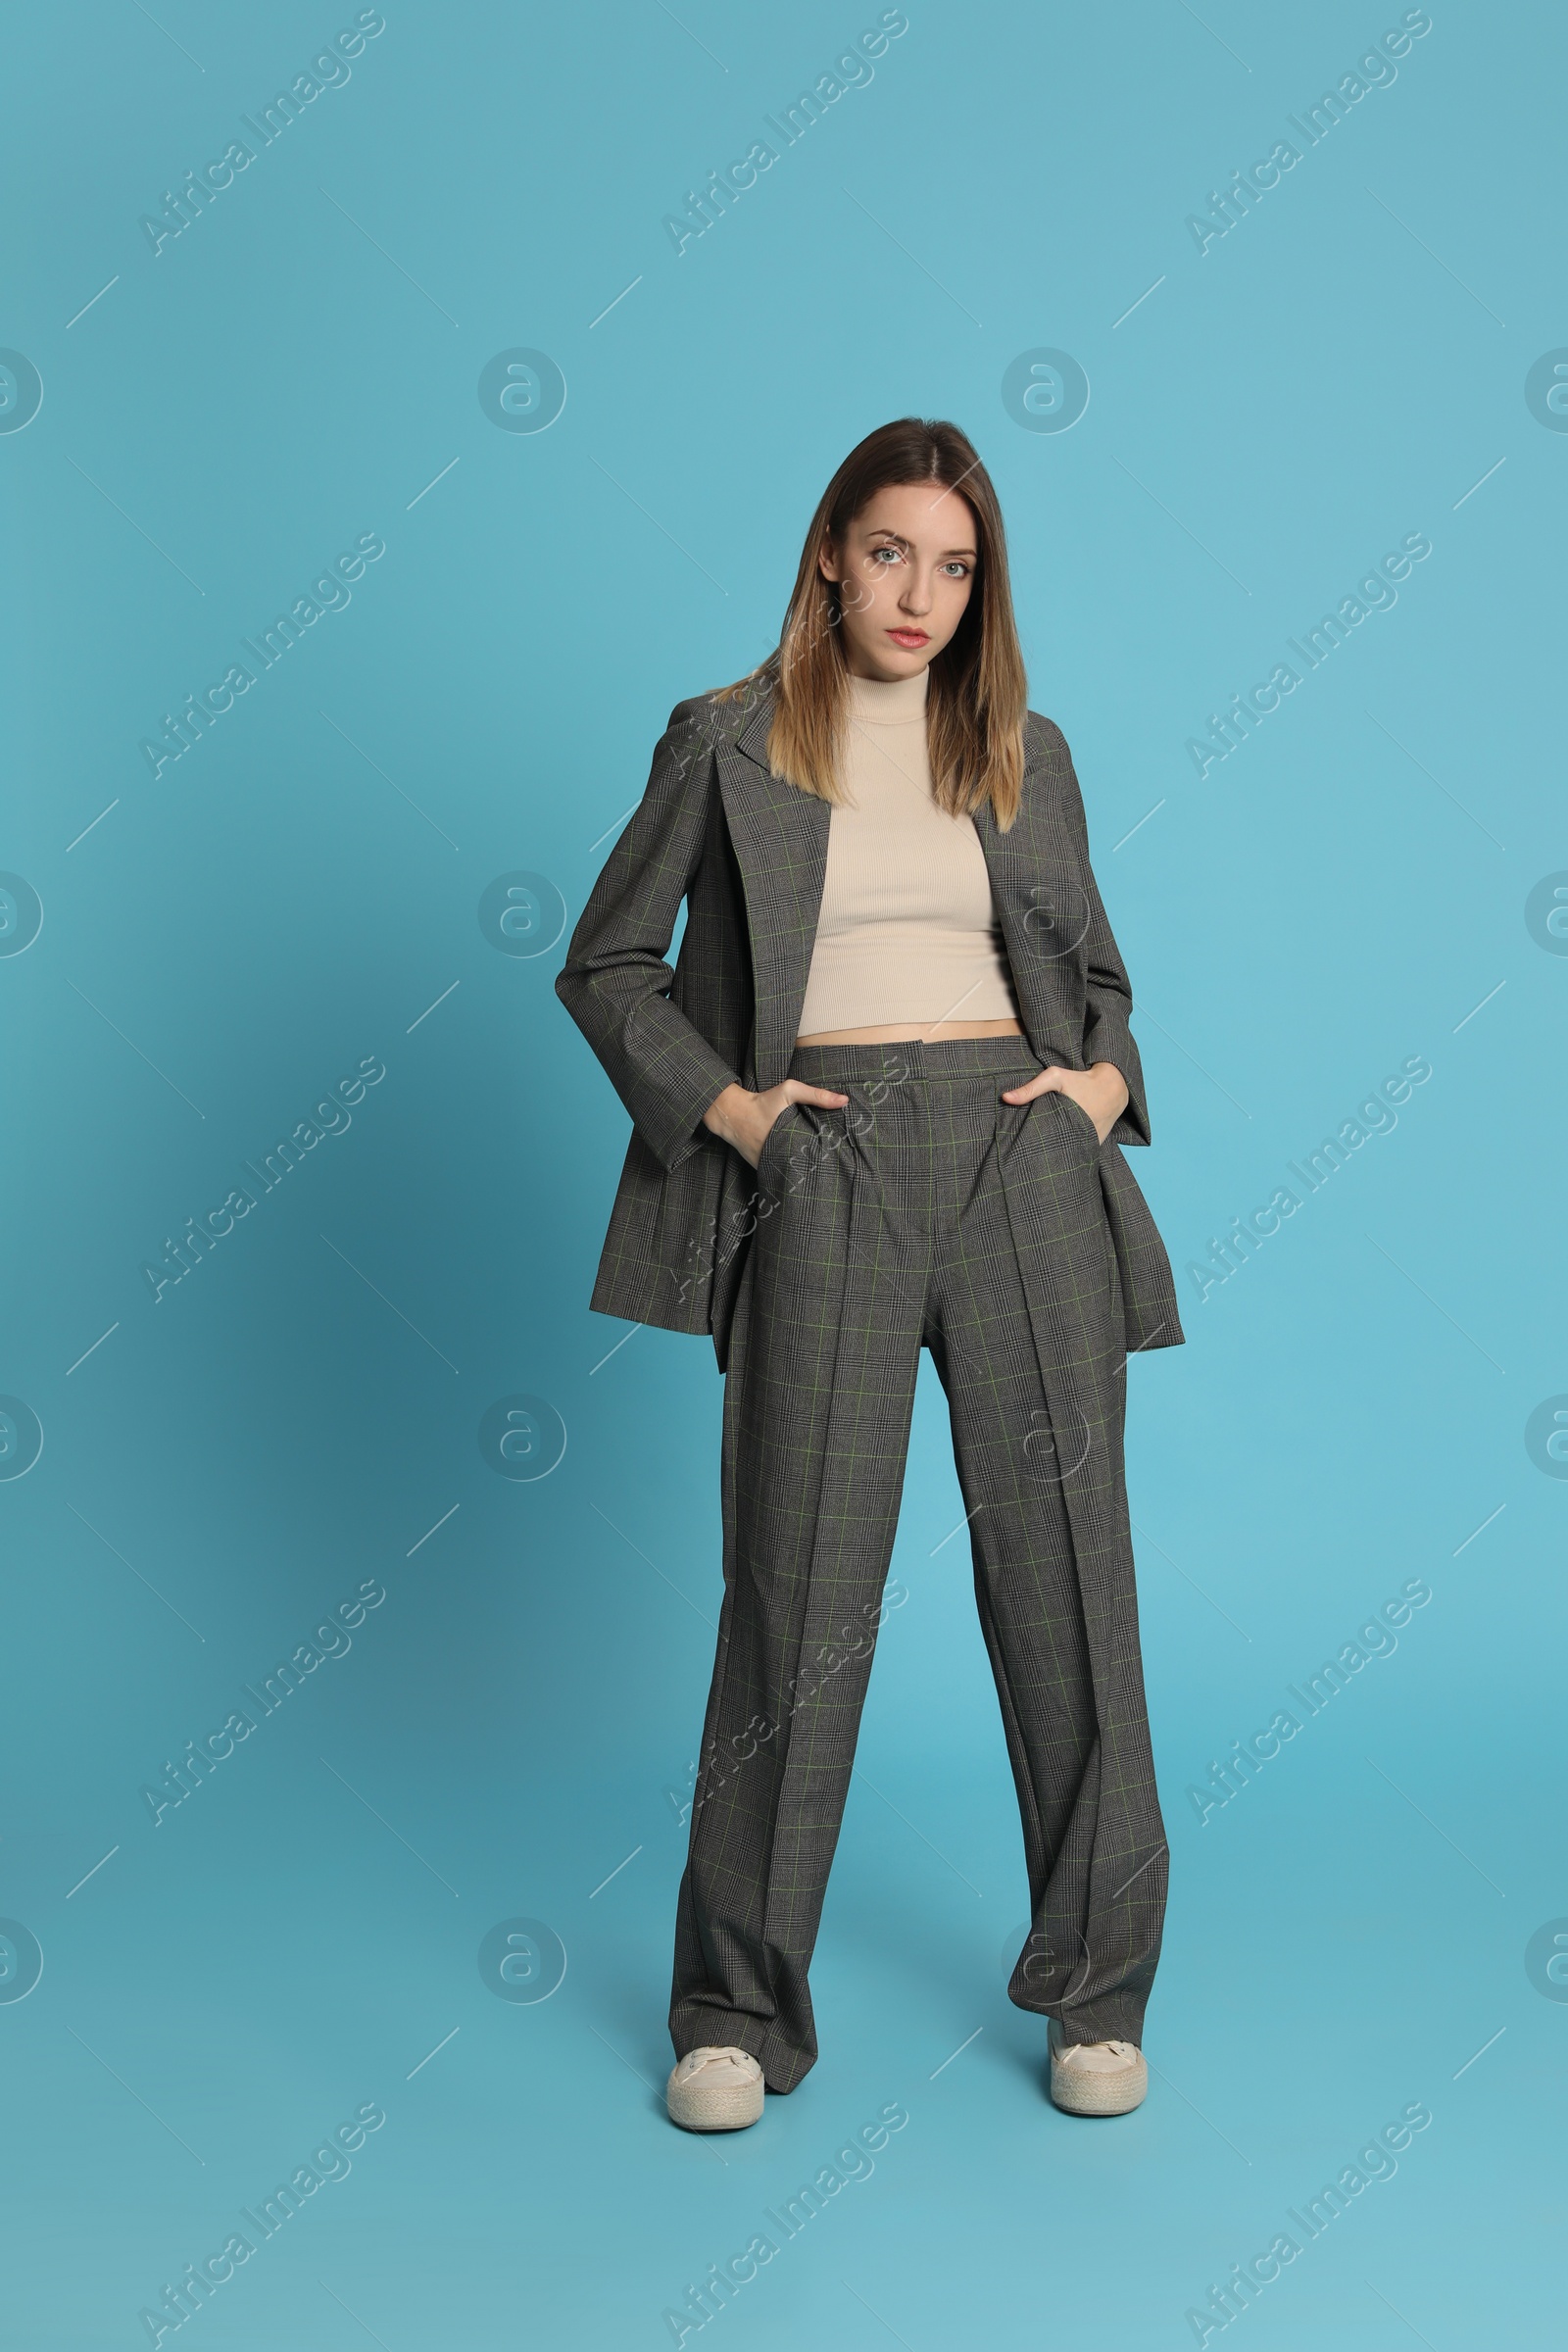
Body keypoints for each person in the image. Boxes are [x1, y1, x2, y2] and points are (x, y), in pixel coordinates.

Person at [557, 416, 1184, 2132]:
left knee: (1070, 1588)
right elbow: (608, 963)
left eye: (958, 566)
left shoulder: (1026, 750)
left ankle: (1097, 1992)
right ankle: (736, 2013)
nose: (922, 594)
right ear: (831, 551)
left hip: (1017, 1158)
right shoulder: (728, 739)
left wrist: (1103, 1090)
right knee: (795, 1598)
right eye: (893, 552)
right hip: (822, 1161)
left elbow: (1100, 977)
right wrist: (741, 1117)